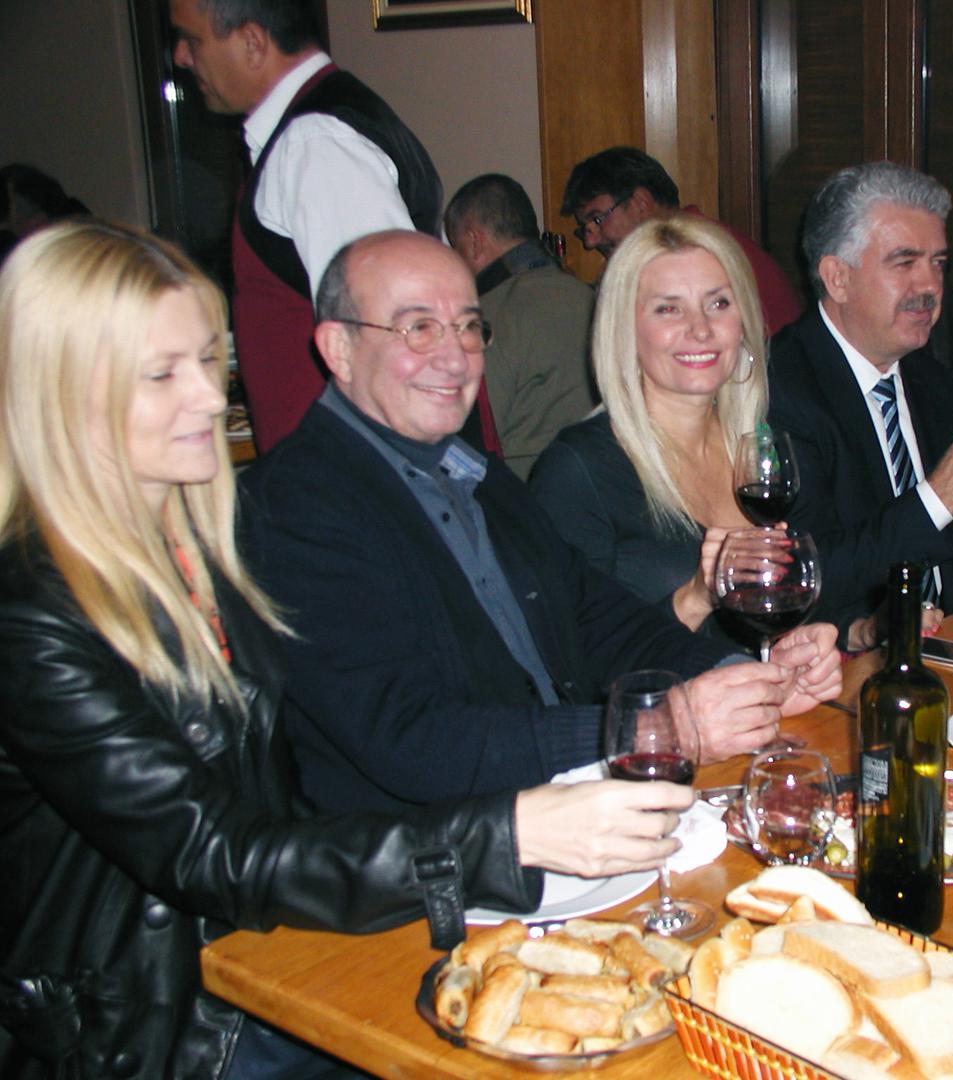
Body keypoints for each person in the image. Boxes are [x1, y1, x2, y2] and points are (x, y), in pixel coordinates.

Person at [0, 221, 696, 1080]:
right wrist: (506, 833)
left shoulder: (201, 548)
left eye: (209, 362)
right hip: (163, 1020)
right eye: (162, 373)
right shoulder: (33, 616)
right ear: (62, 392)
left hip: (280, 943)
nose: (213, 398)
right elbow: (216, 854)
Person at [237, 230, 841, 817]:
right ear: (338, 349)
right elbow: (410, 739)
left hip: (571, 802)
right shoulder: (295, 504)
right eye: (418, 328)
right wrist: (661, 725)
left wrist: (748, 681)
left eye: (468, 327)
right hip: (449, 851)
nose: (453, 356)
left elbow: (599, 621)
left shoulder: (477, 477)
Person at [168, 0, 499, 454]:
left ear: (252, 42)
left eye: (192, 40)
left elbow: (398, 346)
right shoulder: (321, 128)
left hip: (355, 479)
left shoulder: (317, 146)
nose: (180, 57)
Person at [767, 162, 953, 649]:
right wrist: (939, 496)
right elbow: (807, 573)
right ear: (837, 278)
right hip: (850, 657)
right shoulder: (780, 389)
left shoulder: (930, 378)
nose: (930, 286)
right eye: (905, 263)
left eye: (939, 263)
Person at [529, 216, 765, 639]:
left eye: (718, 303)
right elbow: (566, 655)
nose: (701, 329)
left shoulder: (759, 451)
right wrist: (694, 598)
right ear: (625, 331)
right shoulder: (577, 469)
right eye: (668, 309)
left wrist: (809, 641)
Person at [444, 174, 597, 478]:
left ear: (474, 242)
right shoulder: (594, 298)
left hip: (520, 492)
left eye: (455, 248)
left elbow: (465, 445)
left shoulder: (484, 319)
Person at [561, 146, 803, 334]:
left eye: (597, 219)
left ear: (640, 204)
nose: (590, 241)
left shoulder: (693, 255)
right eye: (585, 228)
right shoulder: (699, 239)